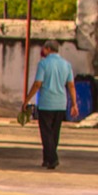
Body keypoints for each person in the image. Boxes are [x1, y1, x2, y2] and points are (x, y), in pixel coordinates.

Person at [22, 40, 78, 169]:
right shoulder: (66, 65)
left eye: (44, 49)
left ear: (47, 49)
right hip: (61, 103)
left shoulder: (43, 64)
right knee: (54, 132)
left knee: (46, 132)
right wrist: (74, 104)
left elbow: (37, 84)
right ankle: (47, 159)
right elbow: (71, 85)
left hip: (46, 103)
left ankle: (52, 158)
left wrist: (27, 100)